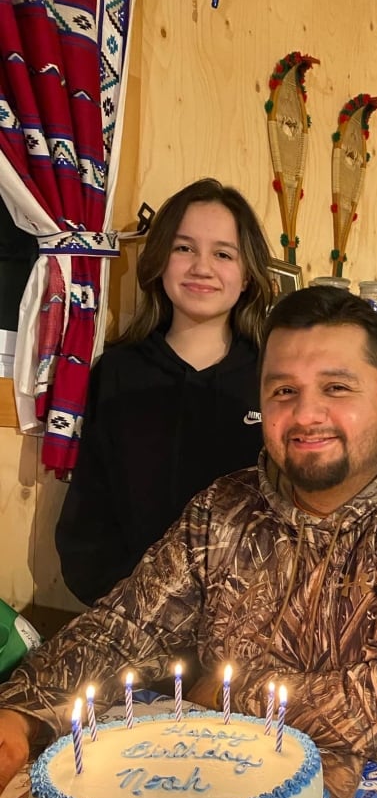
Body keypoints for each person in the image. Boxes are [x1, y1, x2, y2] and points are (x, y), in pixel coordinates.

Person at [0, 286, 377, 798]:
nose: (307, 414)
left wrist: (223, 693)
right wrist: (20, 714)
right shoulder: (226, 506)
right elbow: (127, 629)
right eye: (283, 391)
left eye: (337, 387)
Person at [55, 178, 272, 606]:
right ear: (160, 261)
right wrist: (127, 602)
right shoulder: (118, 372)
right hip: (127, 616)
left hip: (244, 622)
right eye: (184, 248)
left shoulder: (274, 380)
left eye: (223, 254)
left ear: (247, 275)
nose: (202, 267)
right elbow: (87, 516)